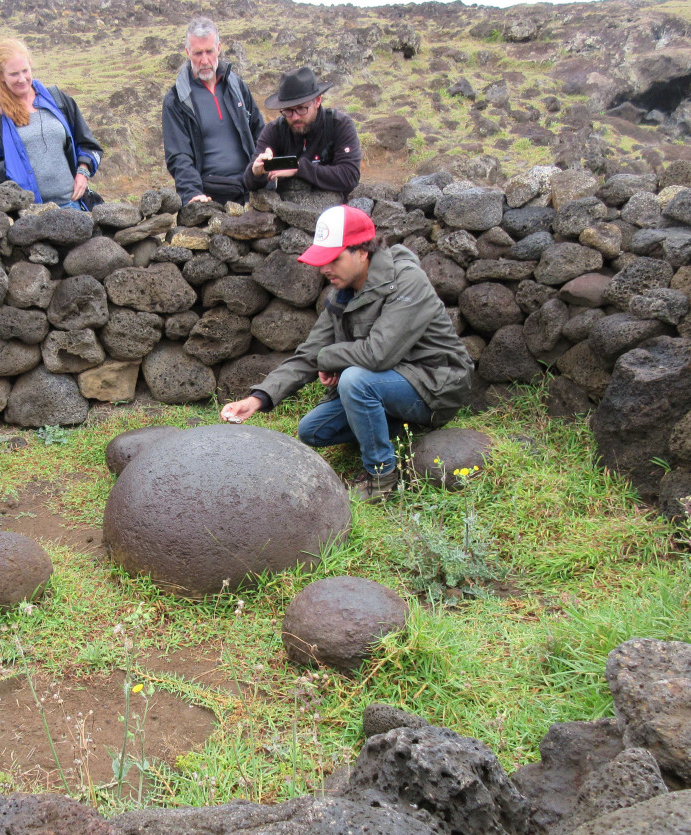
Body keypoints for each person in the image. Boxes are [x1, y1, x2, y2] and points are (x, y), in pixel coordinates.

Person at [220, 206, 474, 502]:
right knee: (312, 431)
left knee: (354, 380)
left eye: (333, 259)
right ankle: (404, 431)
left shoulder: (407, 281)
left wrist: (332, 359)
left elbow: (378, 354)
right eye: (321, 260)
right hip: (386, 385)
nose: (324, 268)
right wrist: (258, 398)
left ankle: (382, 479)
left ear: (362, 252)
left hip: (435, 385)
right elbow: (309, 355)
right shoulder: (340, 295)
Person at [0, 39, 103, 210]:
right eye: (14, 74)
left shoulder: (58, 100)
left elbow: (88, 144)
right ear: (1, 76)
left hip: (72, 206)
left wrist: (83, 171)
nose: (22, 79)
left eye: (25, 71)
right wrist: (7, 172)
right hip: (27, 215)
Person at [161, 17, 263, 206]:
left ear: (219, 48)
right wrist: (191, 193)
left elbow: (260, 132)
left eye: (209, 51)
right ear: (187, 52)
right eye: (198, 53)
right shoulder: (177, 100)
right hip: (209, 198)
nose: (205, 60)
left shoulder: (237, 86)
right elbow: (178, 155)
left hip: (250, 190)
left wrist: (265, 172)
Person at [244, 66, 362, 197]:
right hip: (287, 209)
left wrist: (299, 168)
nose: (295, 117)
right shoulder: (274, 130)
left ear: (317, 101)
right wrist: (256, 172)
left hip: (334, 212)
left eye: (301, 108)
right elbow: (249, 182)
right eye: (288, 110)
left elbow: (350, 176)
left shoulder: (340, 125)